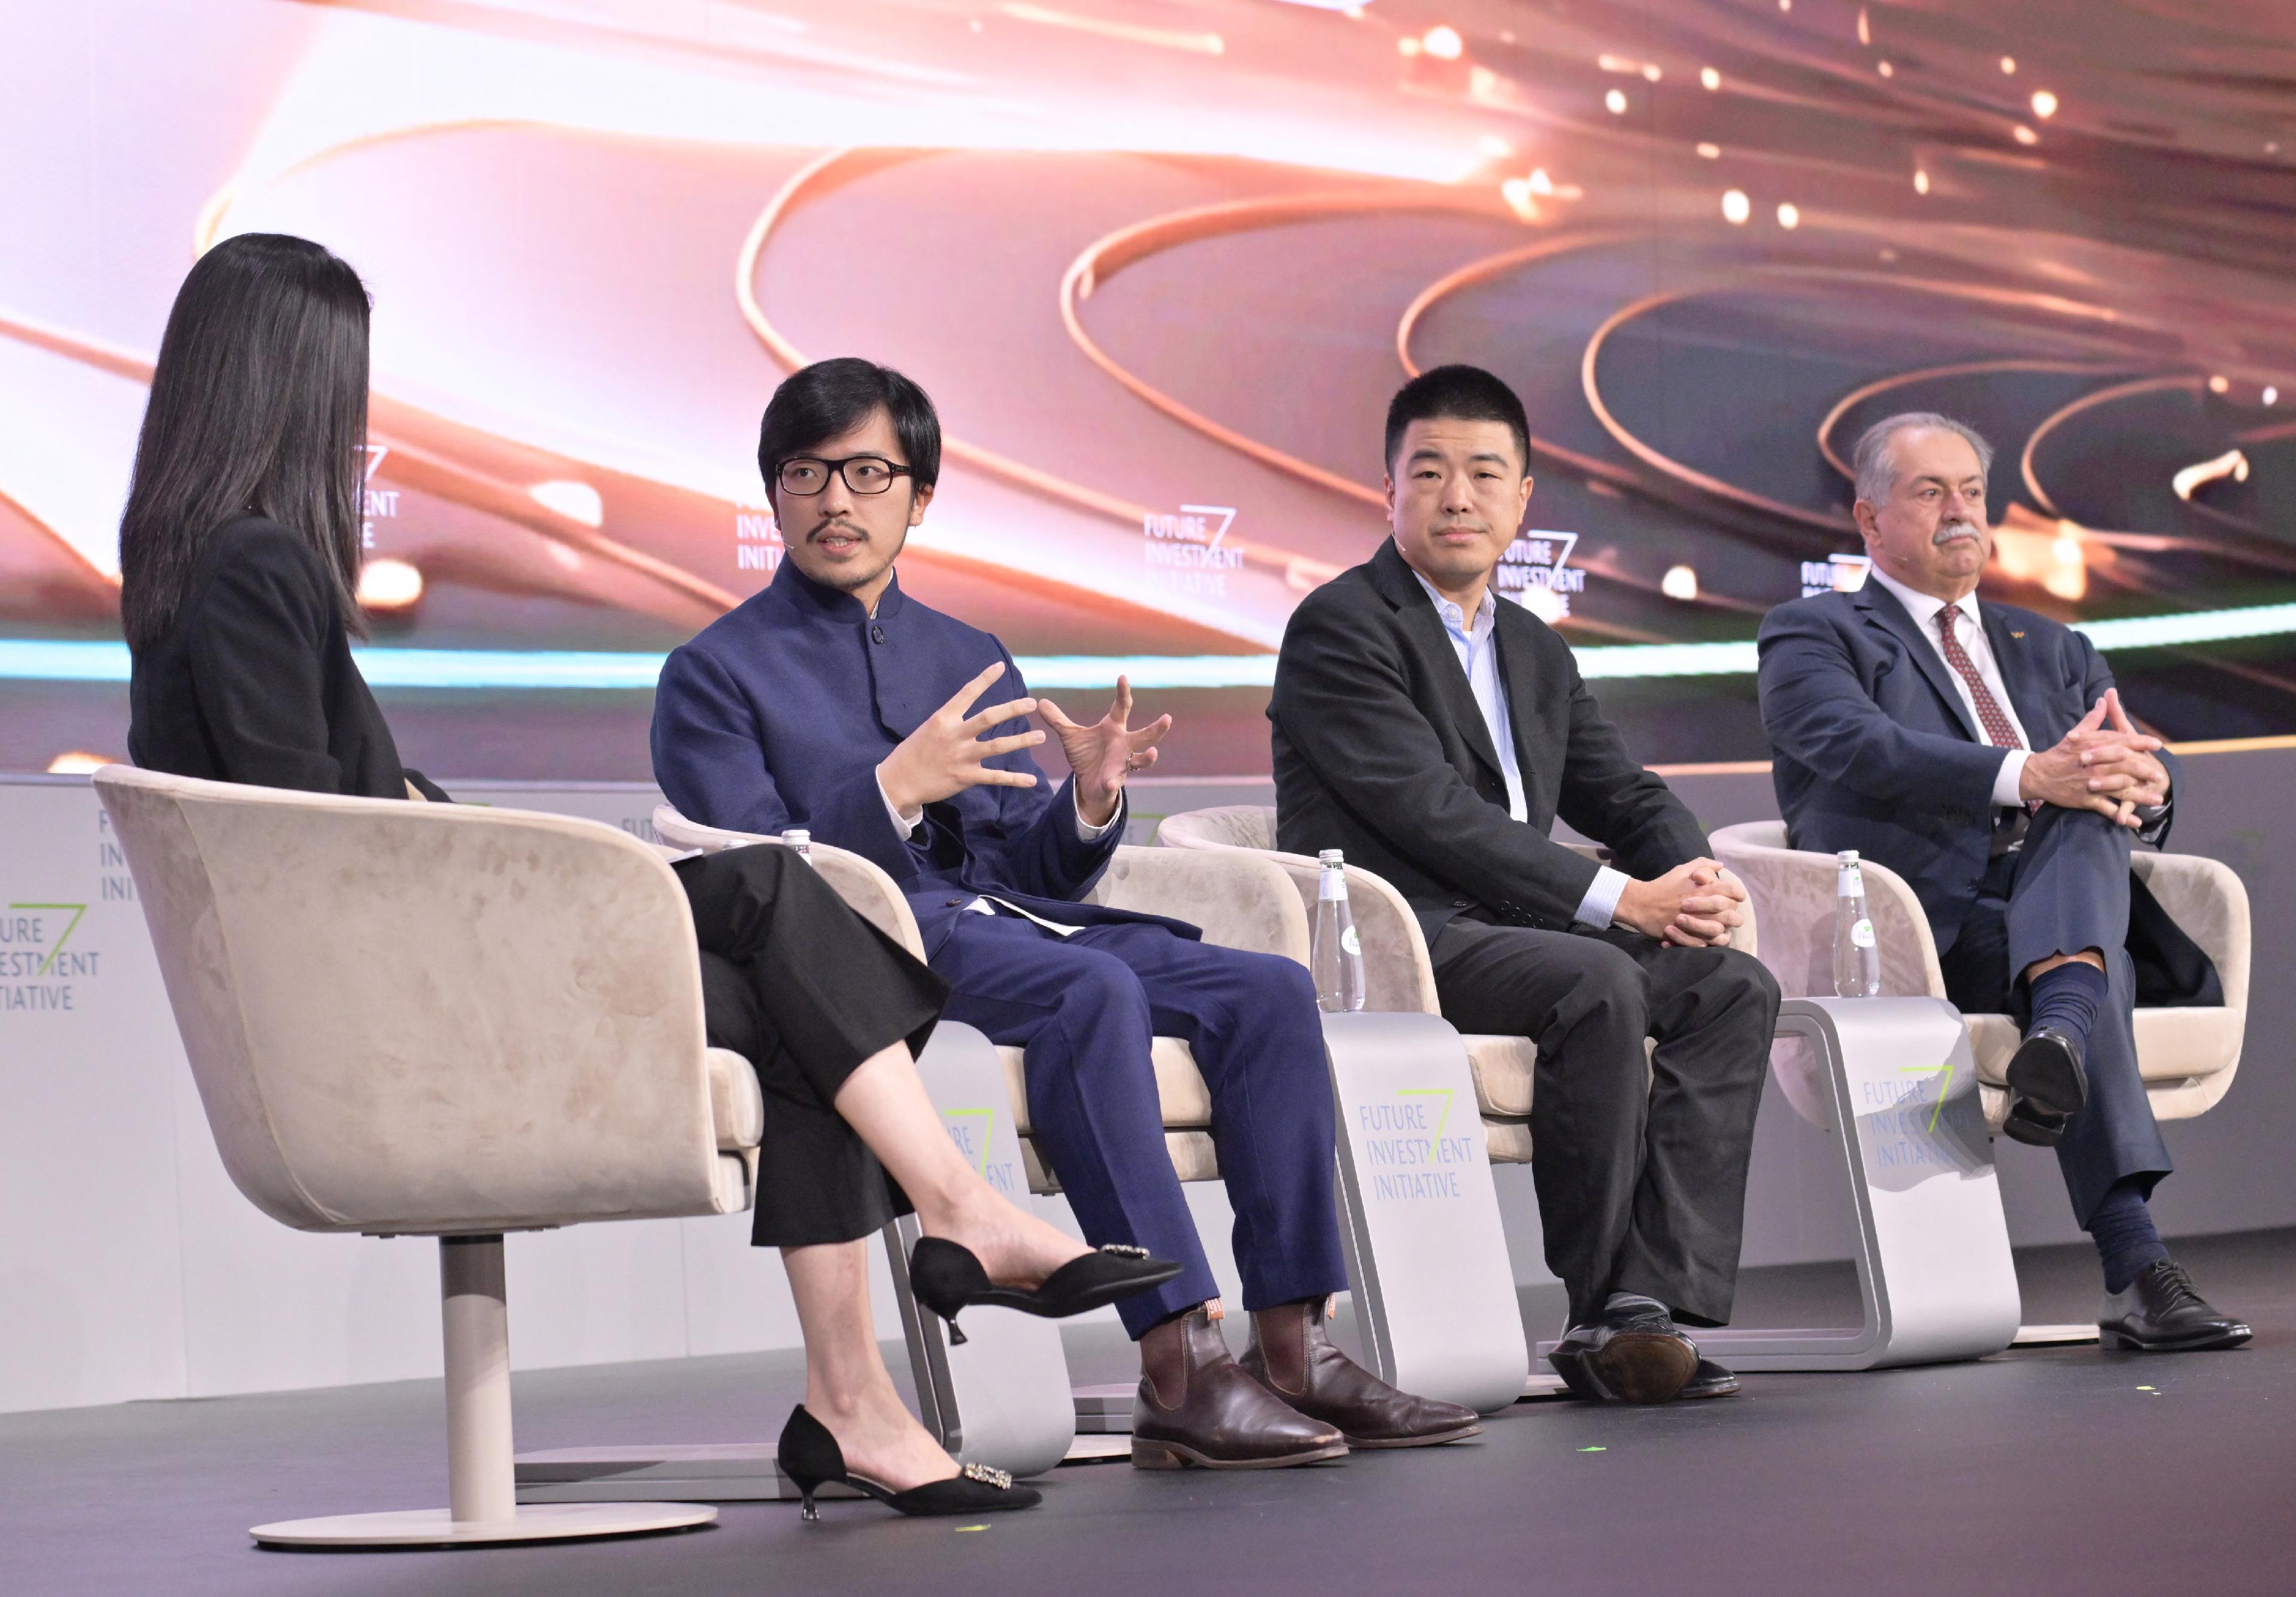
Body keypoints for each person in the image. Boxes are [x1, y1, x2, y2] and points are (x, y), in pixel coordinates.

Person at [117, 234, 1178, 1523]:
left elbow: (345, 802)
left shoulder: (194, 563)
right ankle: (959, 1221)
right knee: (779, 894)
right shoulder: (257, 566)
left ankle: (854, 1399)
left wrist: (456, 823)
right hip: (390, 981)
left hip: (387, 949)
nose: (360, 429)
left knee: (802, 990)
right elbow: (315, 833)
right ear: (294, 386)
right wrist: (521, 867)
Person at [651, 357, 1482, 1468]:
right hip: (875, 947)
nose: (835, 501)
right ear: (773, 493)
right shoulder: (712, 674)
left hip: (1002, 921)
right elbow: (764, 883)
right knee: (1092, 989)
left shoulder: (969, 654)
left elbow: (1028, 868)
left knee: (1269, 992)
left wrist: (1090, 803)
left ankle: (1298, 1348)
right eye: (806, 473)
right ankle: (1181, 1364)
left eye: (865, 472)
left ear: (920, 496)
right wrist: (894, 790)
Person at [1272, 365, 1779, 1405]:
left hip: (1515, 930)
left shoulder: (1531, 646)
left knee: (1731, 987)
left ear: (1520, 501)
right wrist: (1622, 903)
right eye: (1431, 472)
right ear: (1389, 492)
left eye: (1483, 474)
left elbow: (1623, 794)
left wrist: (1694, 877)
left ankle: (1651, 1302)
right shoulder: (1342, 627)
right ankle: (1601, 1311)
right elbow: (1431, 816)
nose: (1458, 496)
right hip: (1403, 934)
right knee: (1598, 978)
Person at [1756, 411, 2250, 1351]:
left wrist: (2150, 781)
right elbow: (1862, 747)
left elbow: (2131, 755)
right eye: (1930, 492)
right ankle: (2137, 1254)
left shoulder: (2053, 647)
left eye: (1973, 492)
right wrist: (2030, 775)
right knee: (2086, 916)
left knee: (2094, 803)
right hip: (1924, 926)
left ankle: (2061, 1041)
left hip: (2049, 905)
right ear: (1868, 519)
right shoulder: (1812, 635)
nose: (1960, 513)